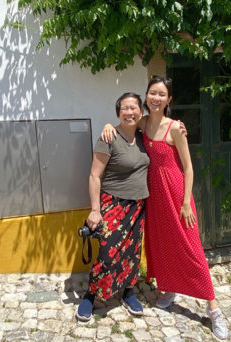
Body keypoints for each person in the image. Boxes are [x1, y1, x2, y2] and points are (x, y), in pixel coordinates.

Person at [101, 76, 228, 339]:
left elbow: (189, 167)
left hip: (176, 193)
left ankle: (213, 308)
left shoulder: (175, 129)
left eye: (162, 94)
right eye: (152, 93)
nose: (156, 98)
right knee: (162, 244)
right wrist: (106, 126)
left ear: (169, 100)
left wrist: (186, 201)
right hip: (154, 196)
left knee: (191, 248)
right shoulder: (144, 123)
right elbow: (123, 125)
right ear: (146, 96)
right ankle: (169, 289)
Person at [76, 92, 150, 321]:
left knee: (132, 253)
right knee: (107, 254)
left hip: (138, 207)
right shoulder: (108, 138)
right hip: (113, 205)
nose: (130, 112)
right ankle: (91, 295)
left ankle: (128, 292)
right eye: (125, 108)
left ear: (141, 111)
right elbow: (94, 176)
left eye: (134, 107)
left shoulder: (143, 136)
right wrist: (95, 210)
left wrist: (179, 127)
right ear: (118, 112)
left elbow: (161, 123)